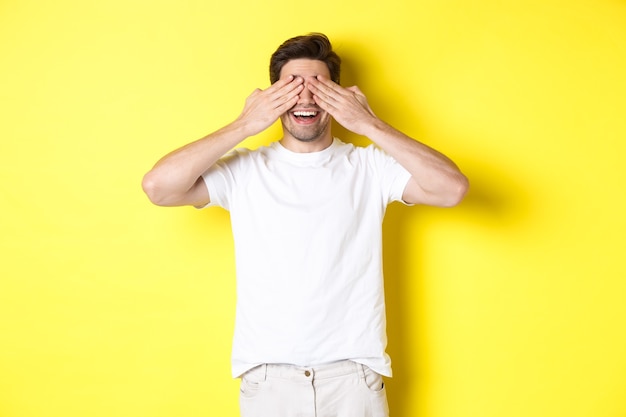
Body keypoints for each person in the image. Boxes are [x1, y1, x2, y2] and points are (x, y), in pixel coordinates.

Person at [142, 33, 469, 417]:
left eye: (320, 88)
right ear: (271, 97)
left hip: (353, 379)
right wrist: (244, 124)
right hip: (269, 381)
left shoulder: (369, 167)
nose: (307, 99)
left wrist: (369, 123)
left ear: (340, 96)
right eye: (291, 88)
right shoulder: (244, 171)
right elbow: (158, 187)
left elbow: (452, 189)